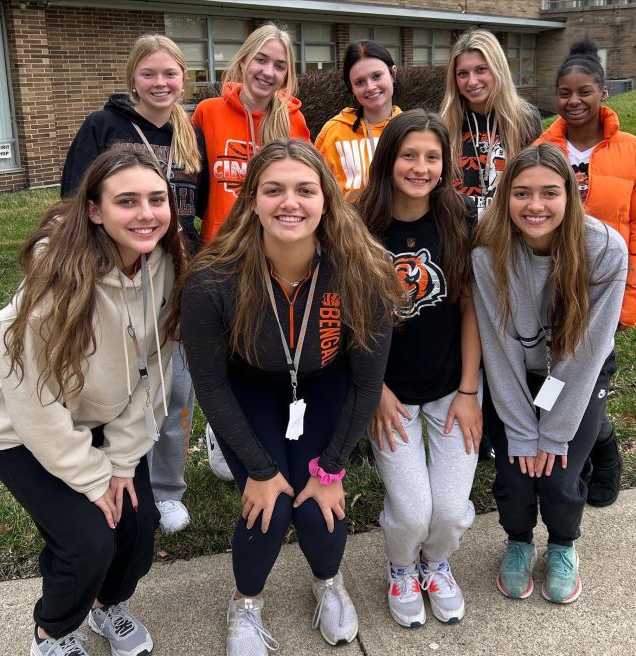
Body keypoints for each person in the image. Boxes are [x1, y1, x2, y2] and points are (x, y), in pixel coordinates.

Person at [168, 139, 400, 656]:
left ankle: (328, 583)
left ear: (327, 201)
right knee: (268, 511)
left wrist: (334, 466)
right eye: (273, 189)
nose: (288, 203)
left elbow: (368, 383)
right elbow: (210, 384)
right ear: (251, 200)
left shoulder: (364, 271)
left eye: (304, 190)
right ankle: (245, 604)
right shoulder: (211, 279)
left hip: (322, 386)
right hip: (248, 389)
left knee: (319, 512)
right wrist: (259, 468)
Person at [0, 148, 184, 656]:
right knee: (87, 539)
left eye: (157, 200)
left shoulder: (165, 264)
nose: (146, 214)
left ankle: (107, 607)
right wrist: (90, 477)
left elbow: (155, 371)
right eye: (126, 201)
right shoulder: (58, 279)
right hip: (16, 425)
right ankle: (52, 633)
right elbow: (32, 400)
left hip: (99, 415)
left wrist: (123, 464)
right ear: (94, 210)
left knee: (136, 526)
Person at [58, 33, 209, 531]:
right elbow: (72, 206)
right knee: (116, 385)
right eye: (150, 74)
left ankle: (165, 489)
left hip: (173, 277)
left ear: (184, 78)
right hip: (110, 278)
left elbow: (198, 211)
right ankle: (111, 473)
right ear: (133, 80)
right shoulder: (104, 127)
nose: (161, 83)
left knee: (175, 389)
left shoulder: (190, 136)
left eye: (170, 73)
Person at [470, 144, 627, 605]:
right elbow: (499, 352)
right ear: (505, 197)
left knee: (558, 475)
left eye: (548, 193)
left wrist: (553, 434)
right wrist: (522, 433)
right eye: (521, 193)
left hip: (579, 370)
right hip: (515, 372)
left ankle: (562, 545)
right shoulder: (487, 250)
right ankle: (518, 541)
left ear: (572, 194)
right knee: (516, 473)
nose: (534, 205)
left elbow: (587, 352)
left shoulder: (604, 249)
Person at [353, 109, 482, 627]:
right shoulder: (360, 223)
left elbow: (472, 305)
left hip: (453, 387)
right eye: (410, 154)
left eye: (432, 156)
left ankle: (436, 563)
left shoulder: (460, 218)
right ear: (389, 159)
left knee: (448, 511)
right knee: (410, 511)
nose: (420, 166)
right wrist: (375, 390)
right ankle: (402, 565)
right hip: (390, 394)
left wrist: (470, 390)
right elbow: (351, 317)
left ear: (445, 163)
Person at [533, 37, 636, 507]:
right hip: (553, 291)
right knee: (556, 378)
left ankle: (601, 455)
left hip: (604, 293)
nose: (573, 101)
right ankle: (595, 444)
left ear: (603, 93)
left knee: (589, 381)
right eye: (565, 93)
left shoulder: (633, 152)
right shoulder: (541, 149)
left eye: (584, 91)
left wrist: (630, 302)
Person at [192, 23, 311, 245]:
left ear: (286, 75)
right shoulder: (208, 112)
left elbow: (306, 186)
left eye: (279, 66)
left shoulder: (293, 120)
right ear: (244, 60)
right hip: (220, 245)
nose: (268, 72)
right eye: (261, 59)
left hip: (272, 244)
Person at [439, 29, 543, 218]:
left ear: (497, 69)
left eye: (481, 70)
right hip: (457, 234)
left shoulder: (526, 119)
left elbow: (538, 179)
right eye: (463, 73)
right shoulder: (444, 125)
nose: (472, 81)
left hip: (509, 232)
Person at [314, 40, 403, 202]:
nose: (370, 87)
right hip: (349, 225)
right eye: (360, 82)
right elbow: (317, 189)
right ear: (351, 87)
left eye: (377, 76)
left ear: (393, 73)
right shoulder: (334, 131)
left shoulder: (411, 130)